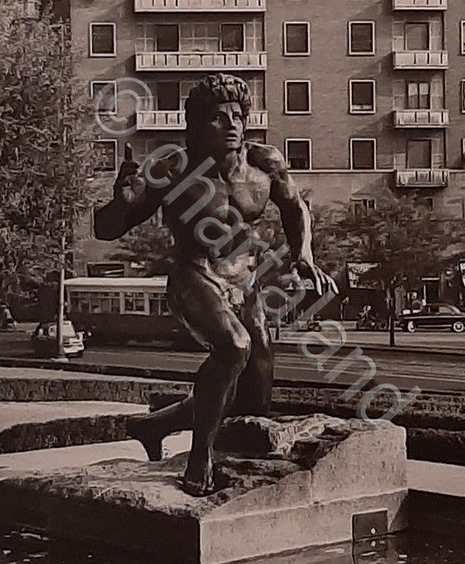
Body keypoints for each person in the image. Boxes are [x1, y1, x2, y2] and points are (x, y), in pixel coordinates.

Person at [94, 72, 336, 497]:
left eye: (237, 115)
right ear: (197, 125)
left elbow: (296, 209)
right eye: (218, 118)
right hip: (195, 276)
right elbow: (107, 229)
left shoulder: (266, 164)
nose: (232, 125)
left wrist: (304, 254)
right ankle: (198, 457)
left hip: (246, 283)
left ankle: (153, 425)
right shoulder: (171, 170)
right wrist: (121, 203)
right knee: (234, 347)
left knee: (250, 404)